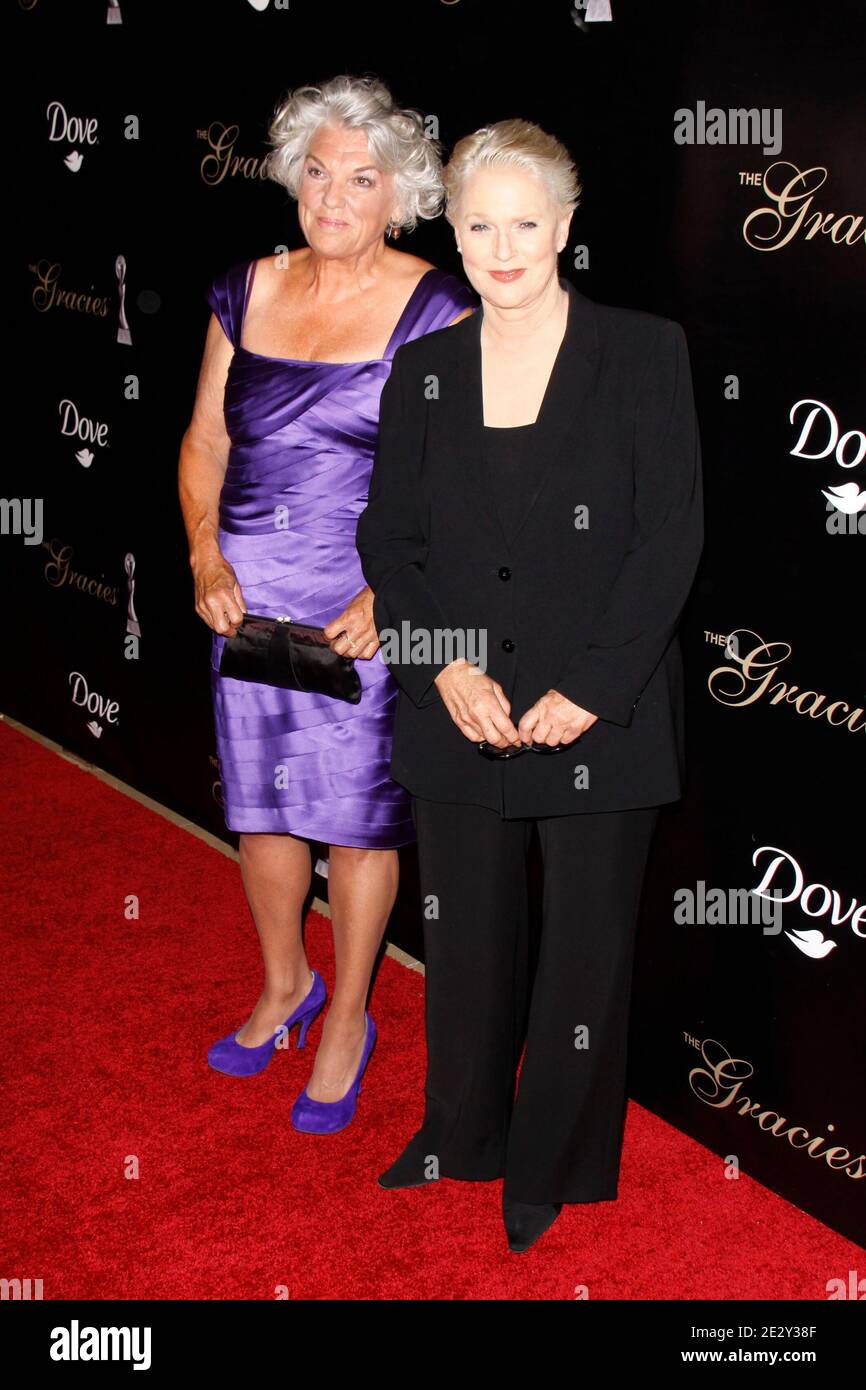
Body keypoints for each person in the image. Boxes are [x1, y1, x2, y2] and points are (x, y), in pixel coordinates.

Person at [357, 118, 703, 1249]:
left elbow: (668, 539)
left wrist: (595, 687)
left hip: (600, 705)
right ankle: (459, 1131)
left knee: (585, 946)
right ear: (450, 230)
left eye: (523, 222)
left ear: (563, 224)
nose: (500, 247)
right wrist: (440, 660)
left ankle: (549, 1163)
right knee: (462, 937)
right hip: (457, 702)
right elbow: (388, 543)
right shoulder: (421, 371)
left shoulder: (644, 352)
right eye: (476, 224)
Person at [177, 75, 475, 1134]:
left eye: (361, 177)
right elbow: (207, 442)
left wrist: (392, 594)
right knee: (262, 806)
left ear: (397, 194)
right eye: (317, 171)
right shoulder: (245, 288)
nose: (334, 195)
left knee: (353, 822)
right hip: (244, 600)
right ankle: (281, 984)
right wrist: (205, 555)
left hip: (363, 606)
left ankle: (347, 1012)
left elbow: (464, 479)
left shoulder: (437, 306)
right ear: (291, 178)